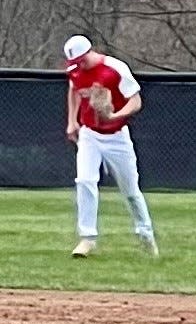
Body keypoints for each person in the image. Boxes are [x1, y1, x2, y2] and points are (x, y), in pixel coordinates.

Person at [64, 34, 158, 258]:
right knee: (85, 181)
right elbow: (73, 89)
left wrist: (116, 114)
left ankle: (146, 235)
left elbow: (136, 101)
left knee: (131, 191)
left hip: (117, 136)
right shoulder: (75, 71)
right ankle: (87, 239)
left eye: (81, 61)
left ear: (89, 52)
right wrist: (72, 120)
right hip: (89, 134)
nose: (79, 67)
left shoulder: (115, 69)